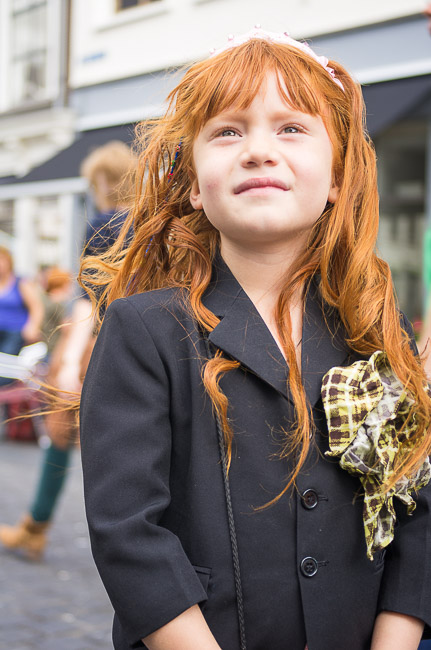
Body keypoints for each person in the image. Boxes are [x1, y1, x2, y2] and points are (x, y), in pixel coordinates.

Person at [79, 29, 431, 650]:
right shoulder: (144, 330)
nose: (258, 151)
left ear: (335, 179)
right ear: (193, 183)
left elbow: (414, 506)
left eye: (292, 128)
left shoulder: (374, 328)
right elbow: (127, 532)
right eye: (227, 131)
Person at [0, 141, 136, 559]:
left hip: (103, 344)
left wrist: (69, 362)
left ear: (101, 181)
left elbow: (89, 301)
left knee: (62, 432)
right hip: (146, 345)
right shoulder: (149, 222)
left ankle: (37, 526)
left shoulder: (105, 221)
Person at [0, 245, 44, 371]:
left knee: (6, 368)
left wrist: (33, 326)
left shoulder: (21, 283)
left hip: (14, 331)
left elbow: (36, 307)